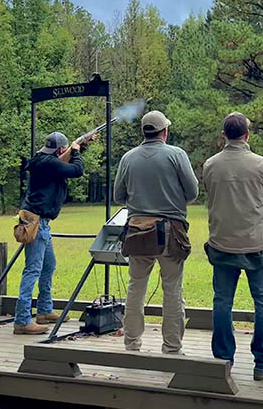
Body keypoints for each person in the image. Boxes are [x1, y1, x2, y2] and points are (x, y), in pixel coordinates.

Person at [202, 112, 263, 381]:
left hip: (222, 242)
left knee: (222, 301)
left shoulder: (209, 165)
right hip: (256, 243)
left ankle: (222, 361)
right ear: (247, 135)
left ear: (224, 135)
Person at [113, 110, 198, 354]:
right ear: (165, 131)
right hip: (171, 231)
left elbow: (118, 196)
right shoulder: (176, 154)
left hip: (137, 231)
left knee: (135, 287)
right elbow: (192, 192)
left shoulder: (128, 158)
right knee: (172, 289)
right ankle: (171, 346)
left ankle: (132, 344)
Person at [14, 131, 93, 335]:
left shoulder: (45, 162)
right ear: (60, 150)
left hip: (42, 222)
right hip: (37, 223)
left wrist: (80, 146)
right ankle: (22, 320)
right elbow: (76, 170)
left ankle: (44, 311)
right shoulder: (48, 163)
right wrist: (76, 152)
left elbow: (64, 165)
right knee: (32, 270)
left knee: (48, 266)